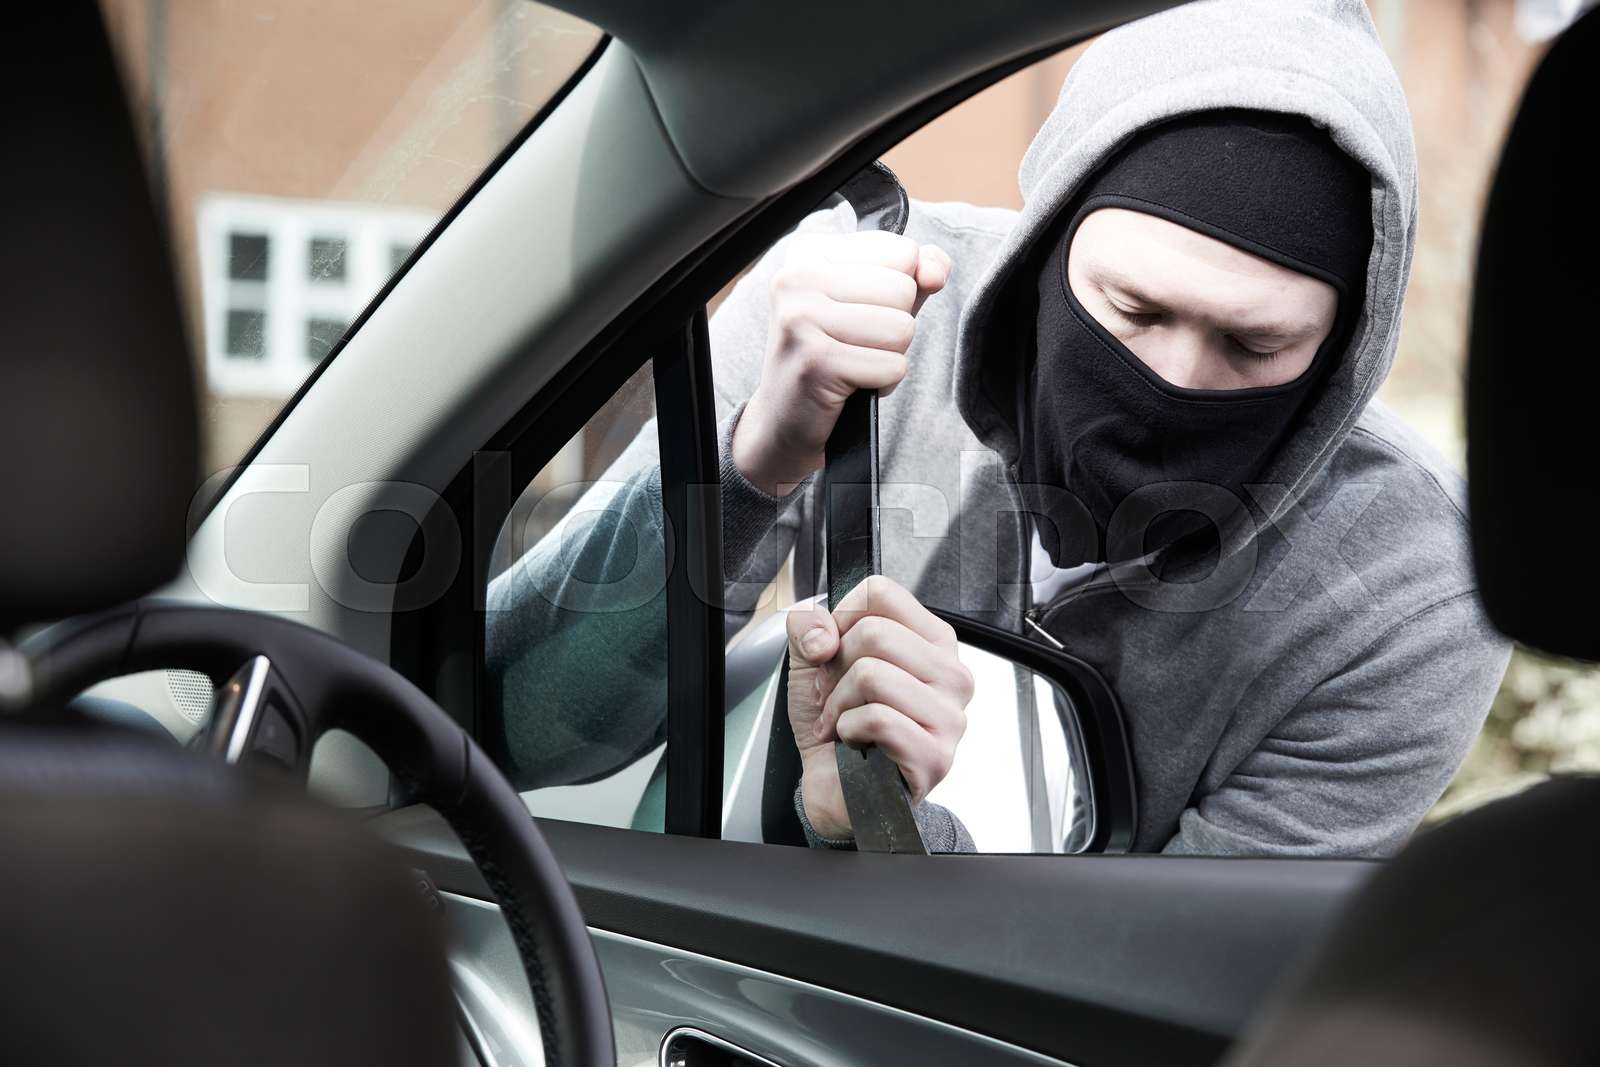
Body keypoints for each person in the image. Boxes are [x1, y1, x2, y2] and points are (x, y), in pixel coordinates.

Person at [487, 0, 1511, 856]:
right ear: (1051, 234)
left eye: (1255, 347)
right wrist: (764, 452)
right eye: (1133, 309)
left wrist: (888, 826)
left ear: (1344, 346)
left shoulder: (1411, 585)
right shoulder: (865, 315)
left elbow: (1191, 987)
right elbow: (518, 729)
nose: (1172, 379)